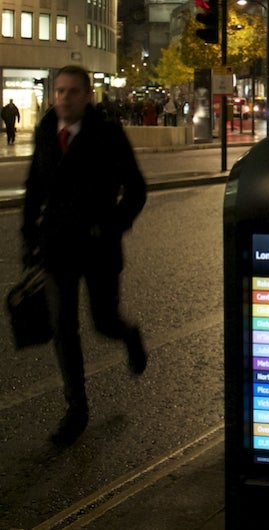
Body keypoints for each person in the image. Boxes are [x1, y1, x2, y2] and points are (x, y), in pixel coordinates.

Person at [21, 65, 148, 446]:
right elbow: (33, 189)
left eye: (73, 91)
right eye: (59, 91)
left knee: (104, 321)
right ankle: (76, 410)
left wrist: (112, 224)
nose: (64, 98)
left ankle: (129, 336)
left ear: (87, 95)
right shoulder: (46, 131)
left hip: (98, 247)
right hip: (58, 248)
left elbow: (137, 188)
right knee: (63, 329)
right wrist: (29, 240)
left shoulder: (106, 133)